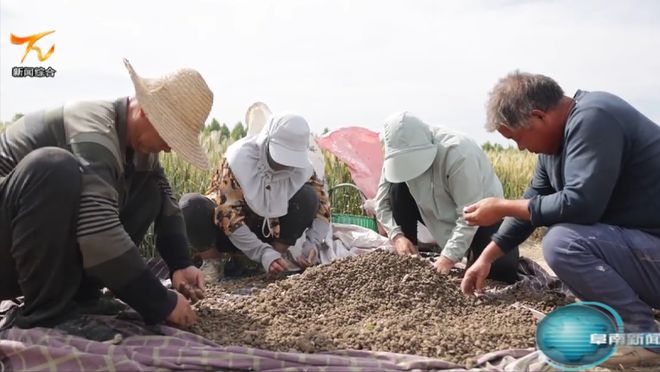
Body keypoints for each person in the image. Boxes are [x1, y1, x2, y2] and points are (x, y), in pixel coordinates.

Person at [461, 71, 660, 367]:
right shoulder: (554, 150)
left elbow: (581, 205)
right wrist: (486, 257)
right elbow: (532, 202)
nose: (520, 148)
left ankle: (643, 339)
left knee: (562, 242)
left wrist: (501, 206)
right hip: (647, 254)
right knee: (564, 236)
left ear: (539, 116)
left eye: (518, 137)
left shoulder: (595, 117)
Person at [0, 59, 211, 332]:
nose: (170, 148)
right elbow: (98, 232)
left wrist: (180, 263)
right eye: (171, 135)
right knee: (53, 167)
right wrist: (160, 302)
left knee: (150, 188)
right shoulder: (93, 129)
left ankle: (81, 298)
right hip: (9, 249)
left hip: (29, 252)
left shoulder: (137, 148)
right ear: (146, 112)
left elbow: (165, 201)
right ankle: (47, 313)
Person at [375, 112, 519, 283]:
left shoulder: (459, 153)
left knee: (499, 273)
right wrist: (397, 236)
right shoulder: (396, 156)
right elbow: (381, 203)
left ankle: (472, 255)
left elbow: (469, 215)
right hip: (432, 213)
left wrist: (448, 258)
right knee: (397, 188)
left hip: (482, 219)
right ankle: (410, 256)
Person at [180, 113, 331, 276]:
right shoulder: (238, 160)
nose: (283, 165)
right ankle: (213, 262)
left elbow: (323, 207)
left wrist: (312, 244)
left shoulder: (304, 169)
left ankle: (277, 257)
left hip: (270, 232)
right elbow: (227, 215)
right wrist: (262, 253)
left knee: (308, 197)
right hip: (228, 234)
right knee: (191, 205)